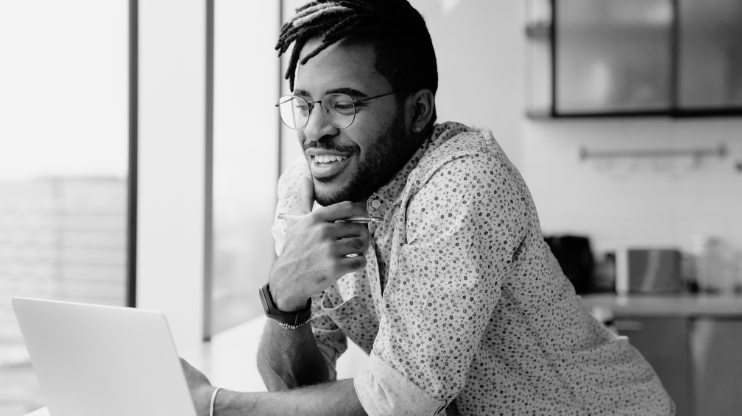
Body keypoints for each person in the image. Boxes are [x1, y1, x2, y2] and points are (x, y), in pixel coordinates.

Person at [180, 1, 675, 415]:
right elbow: (296, 392)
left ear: (418, 111)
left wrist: (212, 404)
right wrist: (284, 299)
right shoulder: (308, 192)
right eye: (305, 103)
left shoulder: (464, 183)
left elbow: (398, 402)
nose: (314, 130)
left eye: (344, 104)